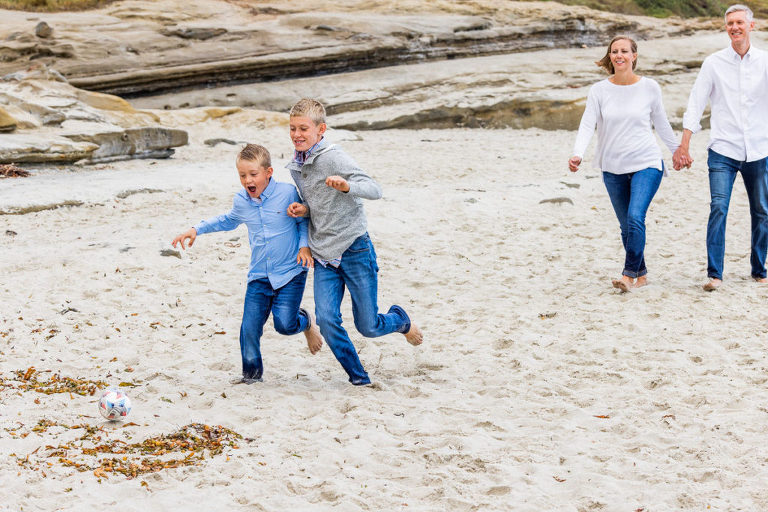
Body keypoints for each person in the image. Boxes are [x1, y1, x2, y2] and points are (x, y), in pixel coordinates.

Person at [285, 98, 422, 386]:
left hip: (354, 248)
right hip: (324, 254)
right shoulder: (297, 166)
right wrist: (304, 209)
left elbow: (374, 189)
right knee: (326, 319)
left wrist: (347, 187)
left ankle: (400, 320)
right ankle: (358, 376)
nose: (297, 134)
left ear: (321, 130)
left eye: (304, 129)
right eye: (293, 128)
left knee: (368, 327)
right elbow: (316, 203)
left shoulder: (334, 157)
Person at [171, 143, 323, 384]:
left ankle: (305, 321)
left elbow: (302, 221)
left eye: (253, 174)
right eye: (242, 175)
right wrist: (196, 229)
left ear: (268, 173)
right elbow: (228, 220)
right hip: (259, 275)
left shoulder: (287, 193)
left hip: (290, 272)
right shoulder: (242, 200)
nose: (247, 180)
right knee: (249, 328)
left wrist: (305, 246)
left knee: (284, 324)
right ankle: (251, 376)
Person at [569, 36, 679, 293]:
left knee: (634, 217)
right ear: (610, 56)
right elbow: (588, 123)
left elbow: (661, 123)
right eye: (614, 51)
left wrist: (677, 151)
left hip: (647, 162)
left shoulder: (650, 87)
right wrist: (578, 154)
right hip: (612, 166)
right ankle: (641, 274)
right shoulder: (599, 90)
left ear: (634, 56)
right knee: (625, 226)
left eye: (624, 51)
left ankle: (628, 275)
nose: (619, 55)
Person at [673, 4, 768, 291]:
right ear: (726, 27)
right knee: (718, 207)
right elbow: (696, 102)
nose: (735, 27)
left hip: (760, 149)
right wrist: (684, 144)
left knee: (762, 211)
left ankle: (759, 268)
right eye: (730, 23)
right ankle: (715, 274)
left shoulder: (765, 61)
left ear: (752, 26)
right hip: (723, 150)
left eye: (740, 22)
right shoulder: (713, 63)